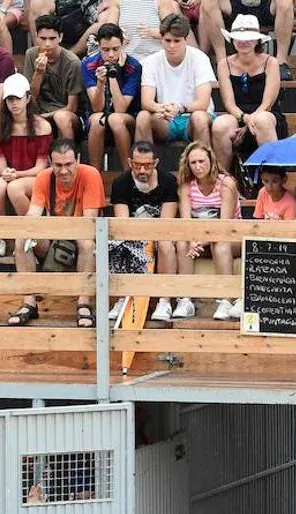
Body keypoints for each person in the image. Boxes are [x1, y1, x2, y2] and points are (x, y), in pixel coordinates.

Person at [8, 139, 103, 327]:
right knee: (22, 240)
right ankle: (29, 302)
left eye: (68, 164)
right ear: (51, 163)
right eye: (58, 165)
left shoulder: (91, 174)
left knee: (86, 242)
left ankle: (84, 303)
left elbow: (88, 223)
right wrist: (29, 230)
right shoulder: (44, 177)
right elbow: (33, 214)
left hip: (81, 238)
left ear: (77, 160)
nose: (64, 171)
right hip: (55, 238)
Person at [109, 141, 180, 321]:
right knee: (118, 243)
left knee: (165, 245)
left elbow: (167, 222)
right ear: (130, 162)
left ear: (155, 163)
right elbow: (122, 223)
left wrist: (151, 238)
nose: (142, 171)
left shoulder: (168, 181)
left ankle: (164, 300)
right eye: (137, 165)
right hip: (133, 234)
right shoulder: (120, 183)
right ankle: (123, 297)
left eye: (147, 166)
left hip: (160, 233)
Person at [174, 140, 241, 321]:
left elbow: (224, 225)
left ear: (211, 161)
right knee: (182, 243)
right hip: (198, 239)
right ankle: (185, 299)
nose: (198, 166)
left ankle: (226, 299)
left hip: (230, 237)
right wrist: (193, 240)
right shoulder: (187, 185)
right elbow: (186, 221)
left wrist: (201, 241)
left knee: (219, 244)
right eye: (193, 163)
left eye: (202, 161)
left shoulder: (226, 184)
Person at [213, 14, 286, 167]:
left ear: (257, 40)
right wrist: (244, 119)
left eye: (249, 38)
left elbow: (268, 102)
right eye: (239, 38)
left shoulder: (270, 62)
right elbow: (229, 103)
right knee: (220, 125)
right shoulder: (223, 64)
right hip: (238, 116)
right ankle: (223, 178)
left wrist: (250, 123)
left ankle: (273, 174)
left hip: (266, 115)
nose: (243, 42)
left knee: (262, 120)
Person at [136, 14, 216, 147]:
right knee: (143, 117)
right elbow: (146, 101)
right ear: (161, 39)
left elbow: (202, 103)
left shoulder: (200, 58)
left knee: (199, 118)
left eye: (176, 41)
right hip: (166, 118)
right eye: (167, 40)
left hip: (193, 116)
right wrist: (161, 108)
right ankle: (144, 164)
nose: (171, 46)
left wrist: (180, 108)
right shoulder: (151, 61)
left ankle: (205, 163)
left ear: (185, 39)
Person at [0, 73, 53, 223]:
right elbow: (1, 166)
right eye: (10, 99)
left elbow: (40, 168)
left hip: (36, 177)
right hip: (13, 174)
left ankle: (30, 233)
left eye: (18, 98)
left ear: (28, 98)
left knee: (14, 187)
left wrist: (17, 175)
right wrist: (6, 172)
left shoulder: (42, 126)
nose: (14, 103)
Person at [84, 23, 143, 168]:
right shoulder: (88, 64)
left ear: (123, 45)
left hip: (127, 117)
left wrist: (113, 75)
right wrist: (100, 83)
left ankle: (128, 172)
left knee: (116, 119)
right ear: (98, 46)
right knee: (98, 120)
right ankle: (95, 175)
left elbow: (121, 109)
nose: (111, 55)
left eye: (115, 49)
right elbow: (97, 108)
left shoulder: (133, 66)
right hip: (99, 116)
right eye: (105, 50)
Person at [25, 14, 83, 141]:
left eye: (52, 38)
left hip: (65, 113)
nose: (47, 44)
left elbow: (72, 107)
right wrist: (38, 73)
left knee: (61, 118)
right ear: (36, 37)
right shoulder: (31, 54)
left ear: (60, 37)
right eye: (43, 38)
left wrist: (46, 116)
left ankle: (68, 154)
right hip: (37, 109)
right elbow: (30, 96)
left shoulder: (72, 62)